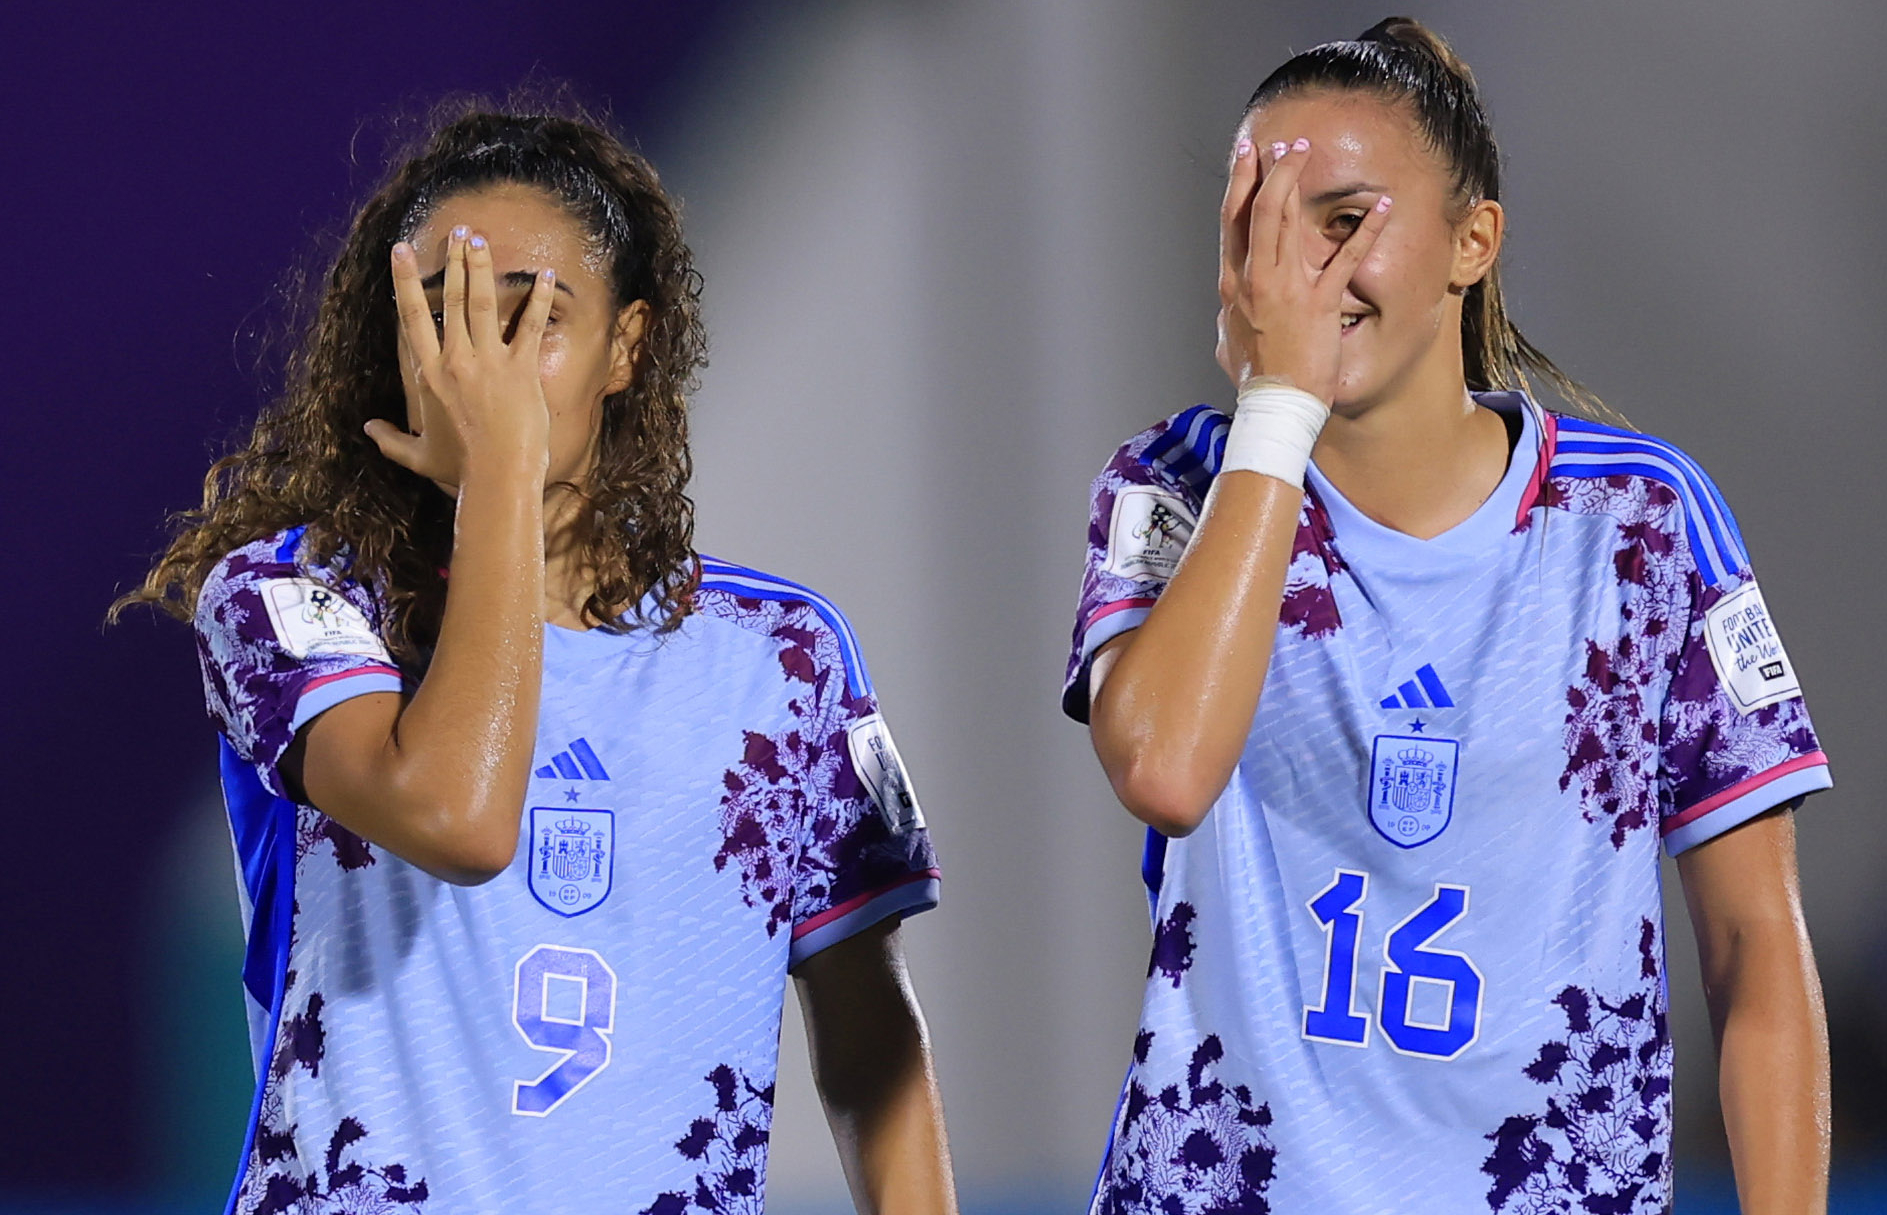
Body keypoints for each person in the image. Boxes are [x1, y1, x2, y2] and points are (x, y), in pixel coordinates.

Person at [114, 100, 955, 1215]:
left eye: (533, 315)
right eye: (446, 319)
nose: (489, 363)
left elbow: (871, 1047)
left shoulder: (783, 661)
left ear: (628, 345)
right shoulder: (290, 600)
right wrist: (502, 477)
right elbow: (460, 817)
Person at [1062, 18, 1830, 1214]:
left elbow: (1755, 951)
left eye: (1343, 223)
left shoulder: (1642, 525)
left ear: (1471, 242)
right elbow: (1164, 766)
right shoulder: (1170, 486)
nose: (1296, 278)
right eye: (1258, 226)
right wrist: (1275, 414)